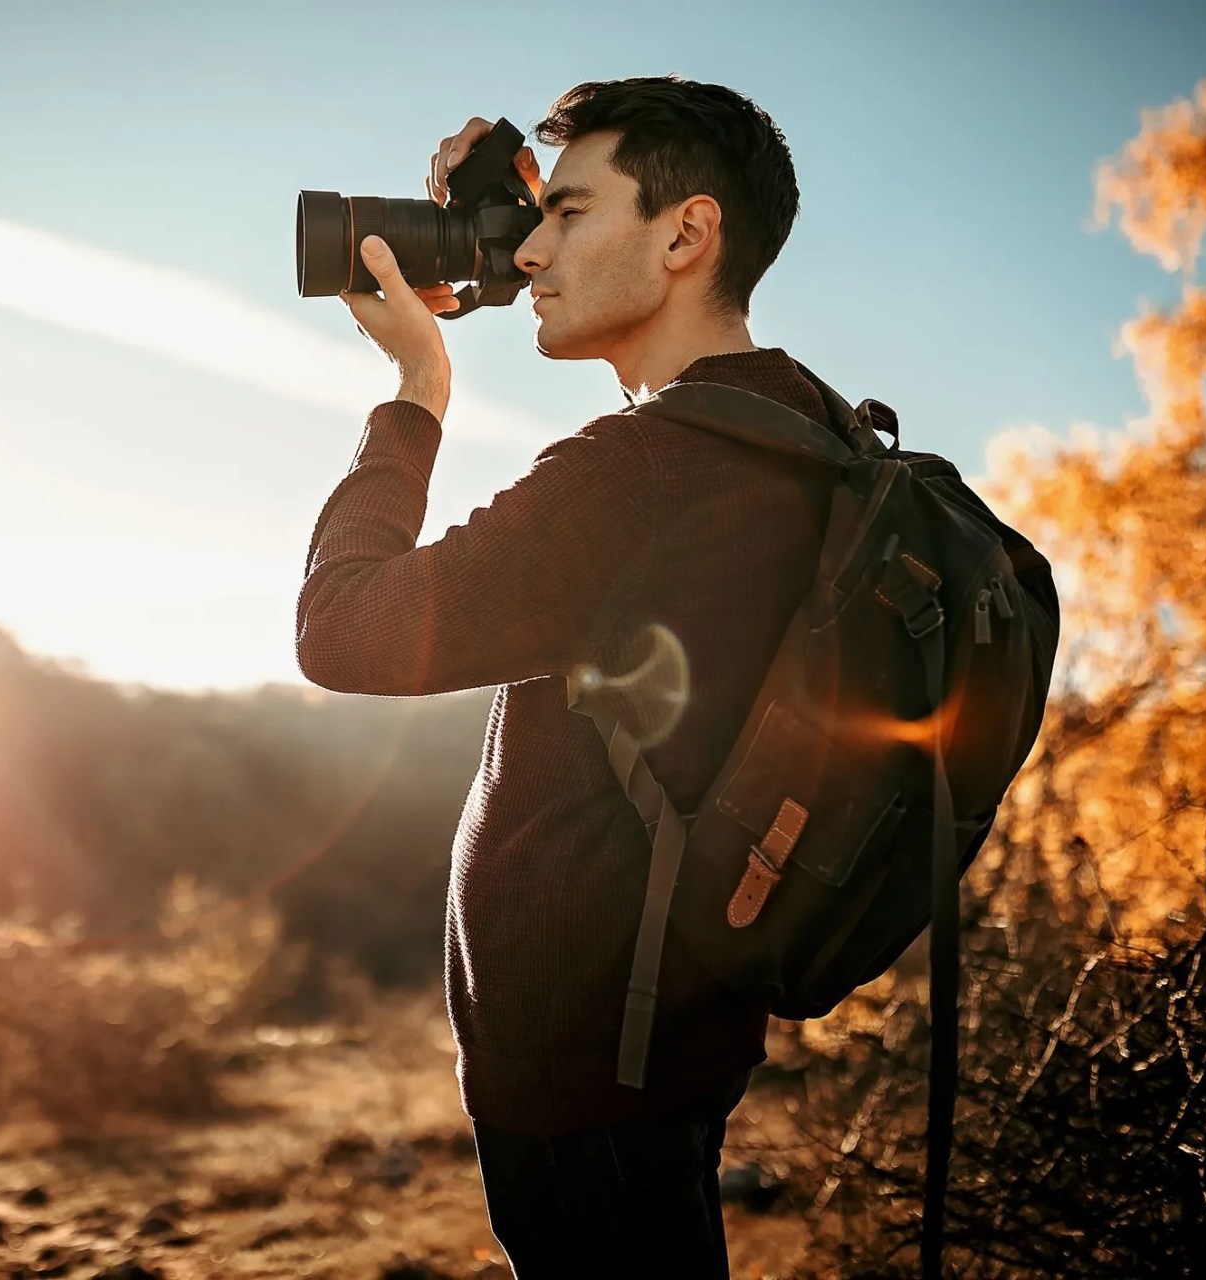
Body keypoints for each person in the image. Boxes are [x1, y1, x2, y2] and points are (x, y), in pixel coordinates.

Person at [297, 77, 832, 1276]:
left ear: (688, 234)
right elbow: (664, 458)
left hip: (586, 1076)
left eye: (572, 214)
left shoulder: (640, 474)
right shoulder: (795, 432)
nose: (535, 245)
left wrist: (417, 391)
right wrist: (537, 235)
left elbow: (343, 629)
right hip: (671, 1037)